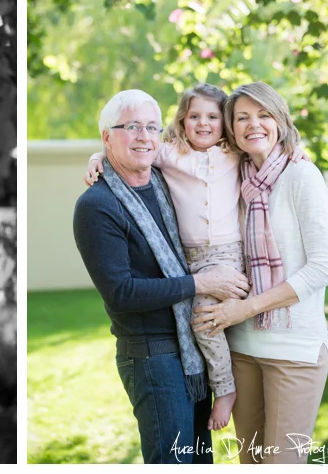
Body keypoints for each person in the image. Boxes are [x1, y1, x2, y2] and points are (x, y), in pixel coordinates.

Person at [71, 89, 248, 464]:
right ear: (107, 137)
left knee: (198, 464)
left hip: (191, 351)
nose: (144, 136)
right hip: (153, 357)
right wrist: (200, 284)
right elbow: (121, 293)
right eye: (132, 127)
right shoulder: (97, 206)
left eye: (152, 126)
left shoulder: (163, 182)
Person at [190, 82, 328, 464]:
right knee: (252, 463)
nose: (254, 125)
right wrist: (98, 157)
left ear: (280, 121)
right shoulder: (231, 178)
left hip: (295, 351)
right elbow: (163, 153)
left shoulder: (302, 177)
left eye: (264, 115)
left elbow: (322, 267)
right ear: (232, 129)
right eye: (242, 117)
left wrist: (246, 308)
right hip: (242, 350)